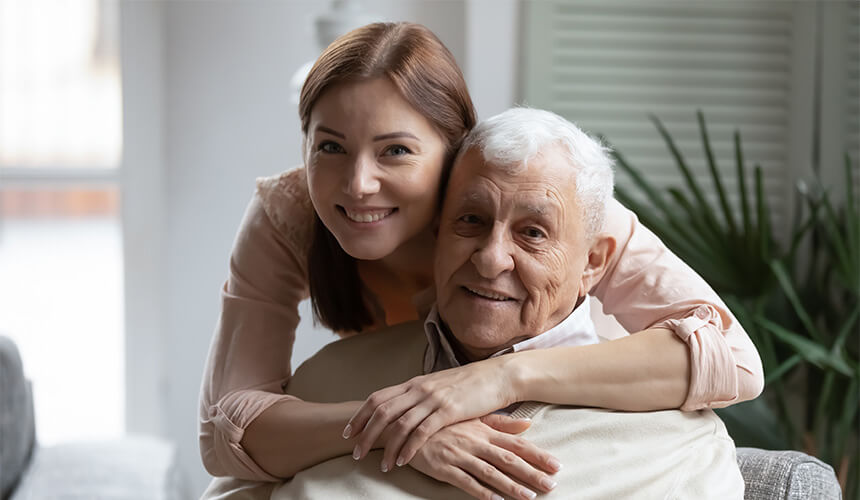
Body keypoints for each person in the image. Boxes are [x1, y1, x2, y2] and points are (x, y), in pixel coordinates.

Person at [198, 21, 763, 495]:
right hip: (398, 391)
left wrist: (500, 377)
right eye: (330, 146)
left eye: (395, 150)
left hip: (566, 390)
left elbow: (734, 361)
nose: (359, 183)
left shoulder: (544, 198)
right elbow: (223, 431)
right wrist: (404, 427)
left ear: (454, 156)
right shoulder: (288, 215)